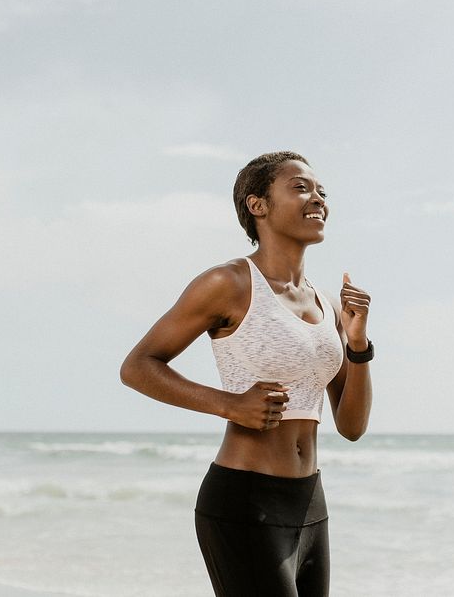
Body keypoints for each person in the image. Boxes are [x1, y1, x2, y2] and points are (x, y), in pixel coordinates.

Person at [120, 151, 373, 596]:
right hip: (244, 501)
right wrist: (229, 405)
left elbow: (351, 427)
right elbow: (138, 366)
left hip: (310, 504)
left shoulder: (326, 302)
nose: (318, 199)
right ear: (258, 205)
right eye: (300, 187)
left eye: (321, 191)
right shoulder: (229, 283)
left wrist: (357, 345)